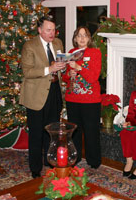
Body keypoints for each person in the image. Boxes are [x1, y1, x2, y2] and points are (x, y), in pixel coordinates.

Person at [19, 16, 66, 178]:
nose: (52, 33)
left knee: (51, 132)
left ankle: (49, 162)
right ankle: (35, 169)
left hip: (54, 92)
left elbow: (60, 66)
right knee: (37, 134)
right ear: (39, 30)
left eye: (53, 29)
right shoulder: (29, 46)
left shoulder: (58, 43)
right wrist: (50, 68)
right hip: (35, 96)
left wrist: (64, 66)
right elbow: (27, 72)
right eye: (48, 30)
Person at [62, 26, 102, 169]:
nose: (82, 38)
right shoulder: (71, 53)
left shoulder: (95, 53)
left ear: (89, 38)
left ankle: (94, 161)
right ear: (75, 38)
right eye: (79, 36)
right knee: (74, 132)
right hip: (73, 99)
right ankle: (75, 157)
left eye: (85, 35)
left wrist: (79, 68)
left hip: (90, 100)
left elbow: (93, 77)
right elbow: (65, 77)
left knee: (92, 132)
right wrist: (69, 75)